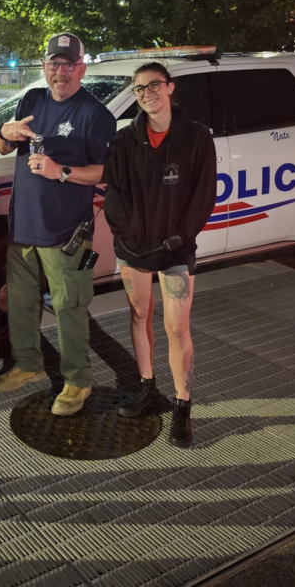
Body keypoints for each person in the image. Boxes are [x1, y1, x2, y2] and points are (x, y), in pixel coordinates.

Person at [0, 33, 116, 416]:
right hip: (23, 226)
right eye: (53, 64)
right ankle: (28, 364)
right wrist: (3, 134)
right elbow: (3, 147)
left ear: (82, 67)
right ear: (44, 67)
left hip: (65, 233)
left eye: (68, 64)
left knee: (68, 308)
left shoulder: (95, 115)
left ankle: (78, 380)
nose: (60, 72)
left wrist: (60, 171)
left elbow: (107, 172)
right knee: (22, 304)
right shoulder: (32, 100)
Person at [103, 62, 216, 447]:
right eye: (139, 89)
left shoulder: (197, 138)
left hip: (175, 252)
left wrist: (176, 239)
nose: (147, 93)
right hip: (132, 250)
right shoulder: (122, 142)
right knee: (139, 315)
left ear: (170, 88)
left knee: (176, 327)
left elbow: (204, 198)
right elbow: (113, 197)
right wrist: (130, 237)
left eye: (154, 85)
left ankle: (183, 404)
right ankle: (146, 385)